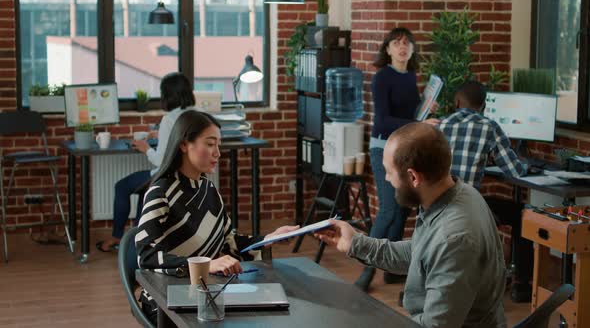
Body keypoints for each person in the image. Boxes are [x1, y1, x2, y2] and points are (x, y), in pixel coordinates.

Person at [316, 123, 507, 328]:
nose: (387, 179)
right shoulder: (458, 194)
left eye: (389, 172)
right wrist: (355, 243)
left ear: (414, 177)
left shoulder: (454, 238)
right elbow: (421, 254)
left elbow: (435, 326)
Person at [135, 110, 299, 323]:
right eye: (210, 144)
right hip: (167, 301)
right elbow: (146, 256)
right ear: (184, 145)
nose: (218, 153)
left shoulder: (208, 189)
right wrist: (205, 264)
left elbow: (229, 242)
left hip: (206, 293)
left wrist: (268, 239)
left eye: (218, 145)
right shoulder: (161, 192)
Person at [357, 26, 440, 290]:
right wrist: (420, 123)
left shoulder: (411, 76)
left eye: (407, 43)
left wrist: (426, 110)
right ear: (388, 49)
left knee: (404, 207)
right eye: (396, 43)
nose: (402, 47)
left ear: (413, 49)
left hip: (405, 147)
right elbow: (384, 119)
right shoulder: (382, 77)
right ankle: (366, 269)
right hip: (383, 148)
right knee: (389, 210)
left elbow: (408, 115)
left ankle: (392, 270)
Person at [438, 80, 532, 302]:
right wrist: (527, 165)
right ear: (483, 105)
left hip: (437, 204)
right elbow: (515, 171)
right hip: (467, 207)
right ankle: (522, 286)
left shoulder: (439, 125)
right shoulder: (489, 127)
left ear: (457, 102)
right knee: (523, 213)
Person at [96, 72, 196, 252]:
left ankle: (118, 237)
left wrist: (144, 147)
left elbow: (160, 160)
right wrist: (161, 135)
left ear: (168, 95)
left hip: (165, 175)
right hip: (186, 175)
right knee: (144, 193)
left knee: (122, 187)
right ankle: (136, 241)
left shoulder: (169, 119)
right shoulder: (196, 115)